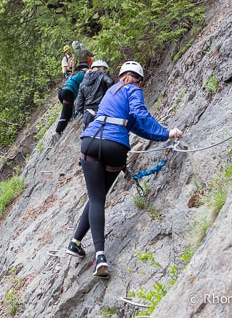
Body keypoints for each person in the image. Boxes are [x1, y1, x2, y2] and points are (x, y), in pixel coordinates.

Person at [65, 61, 184, 277]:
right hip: (114, 147)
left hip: (90, 142)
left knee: (95, 197)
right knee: (98, 198)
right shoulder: (134, 90)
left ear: (121, 75)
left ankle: (75, 242)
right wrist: (168, 132)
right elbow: (140, 116)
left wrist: (164, 134)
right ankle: (100, 255)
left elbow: (136, 126)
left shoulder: (112, 91)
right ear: (139, 79)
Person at [74, 60, 114, 129]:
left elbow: (78, 106)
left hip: (87, 115)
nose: (105, 71)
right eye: (104, 69)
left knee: (87, 138)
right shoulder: (102, 76)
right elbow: (110, 82)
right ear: (100, 68)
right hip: (101, 111)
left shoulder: (83, 82)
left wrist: (85, 112)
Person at [55, 65, 88, 135]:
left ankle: (63, 126)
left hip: (62, 92)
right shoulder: (83, 75)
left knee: (68, 111)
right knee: (66, 113)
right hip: (68, 92)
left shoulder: (74, 75)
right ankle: (58, 131)